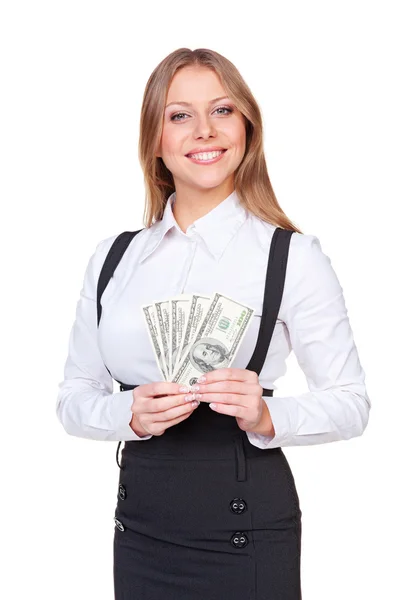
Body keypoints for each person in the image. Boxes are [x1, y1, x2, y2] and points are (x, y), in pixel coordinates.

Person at [56, 47, 371, 600]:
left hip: (246, 530)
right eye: (180, 115)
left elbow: (351, 403)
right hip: (141, 531)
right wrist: (126, 414)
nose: (204, 130)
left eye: (222, 110)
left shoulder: (292, 256)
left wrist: (268, 413)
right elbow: (73, 398)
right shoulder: (113, 260)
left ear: (247, 127)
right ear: (155, 139)